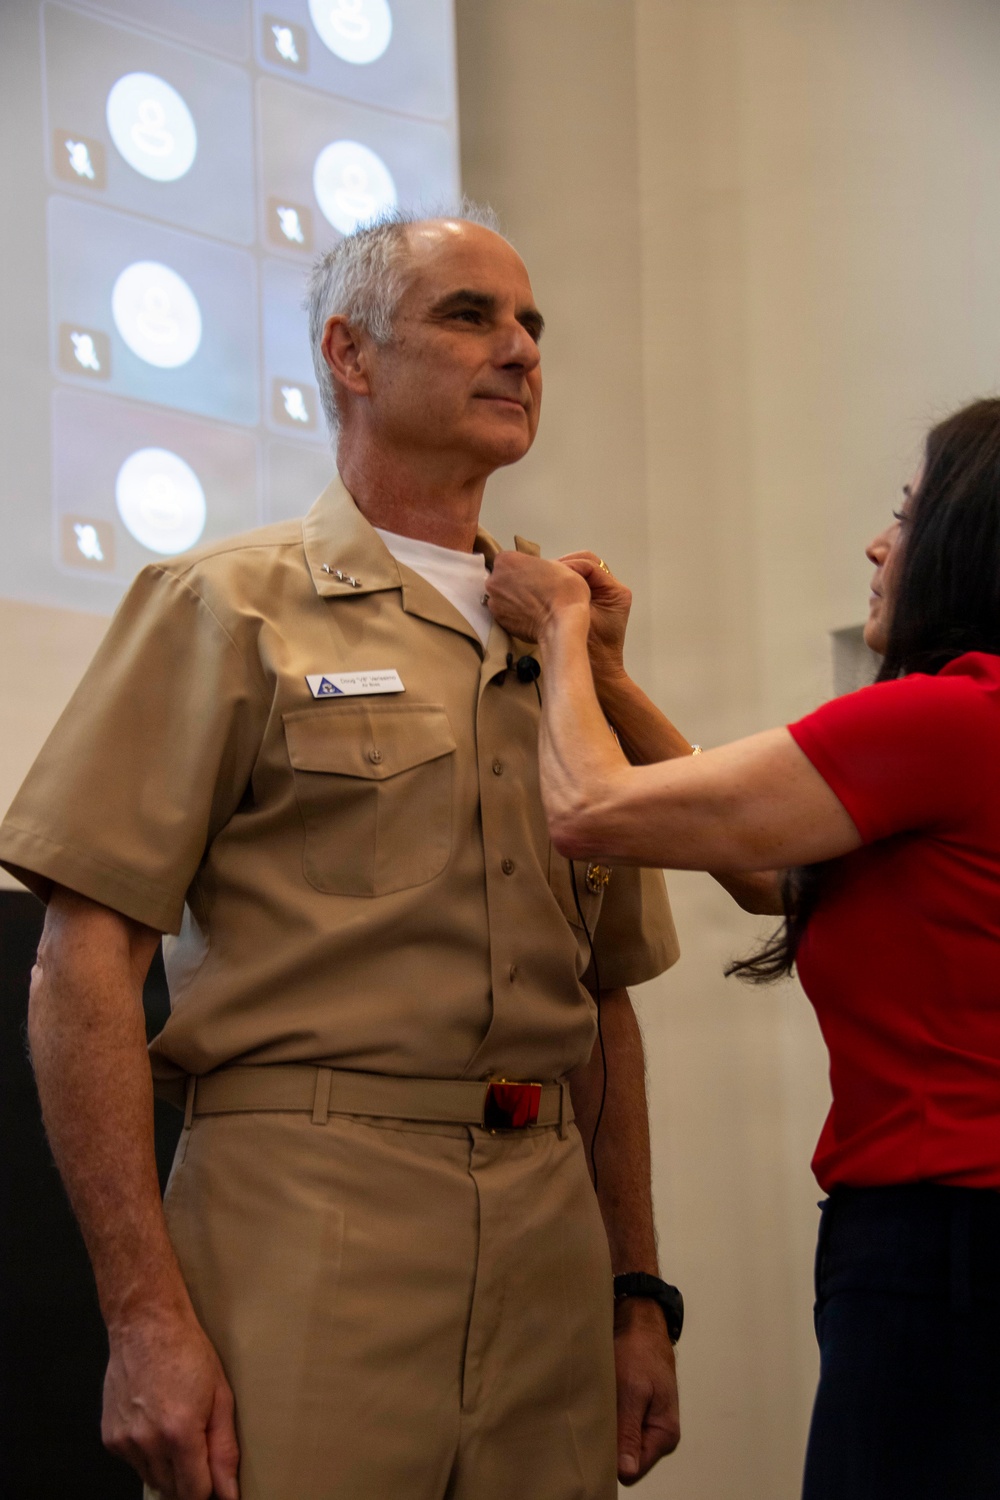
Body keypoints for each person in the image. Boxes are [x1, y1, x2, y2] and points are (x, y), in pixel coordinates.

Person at [0, 208, 684, 1500]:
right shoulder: (225, 604)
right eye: (469, 316)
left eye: (532, 324)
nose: (522, 350)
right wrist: (145, 1317)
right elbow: (81, 965)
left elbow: (606, 1002)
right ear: (349, 355)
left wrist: (635, 1290)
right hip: (307, 1217)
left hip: (549, 1232)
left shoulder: (565, 642)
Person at [485, 395, 1000, 1500]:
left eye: (905, 516)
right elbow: (772, 873)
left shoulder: (947, 720)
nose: (877, 544)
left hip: (942, 1241)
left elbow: (588, 807)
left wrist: (561, 633)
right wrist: (613, 683)